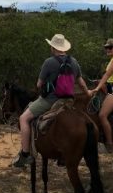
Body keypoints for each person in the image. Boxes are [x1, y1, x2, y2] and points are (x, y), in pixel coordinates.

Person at [11, 33, 88, 167]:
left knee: (23, 118)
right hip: (69, 101)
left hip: (50, 101)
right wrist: (88, 93)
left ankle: (25, 154)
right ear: (64, 47)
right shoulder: (74, 62)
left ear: (53, 47)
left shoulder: (49, 62)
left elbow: (39, 85)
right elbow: (81, 83)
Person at [86, 38, 113, 154]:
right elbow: (109, 77)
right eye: (106, 48)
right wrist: (100, 82)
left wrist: (98, 88)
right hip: (111, 87)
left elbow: (107, 75)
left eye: (110, 48)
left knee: (102, 115)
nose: (107, 50)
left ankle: (109, 144)